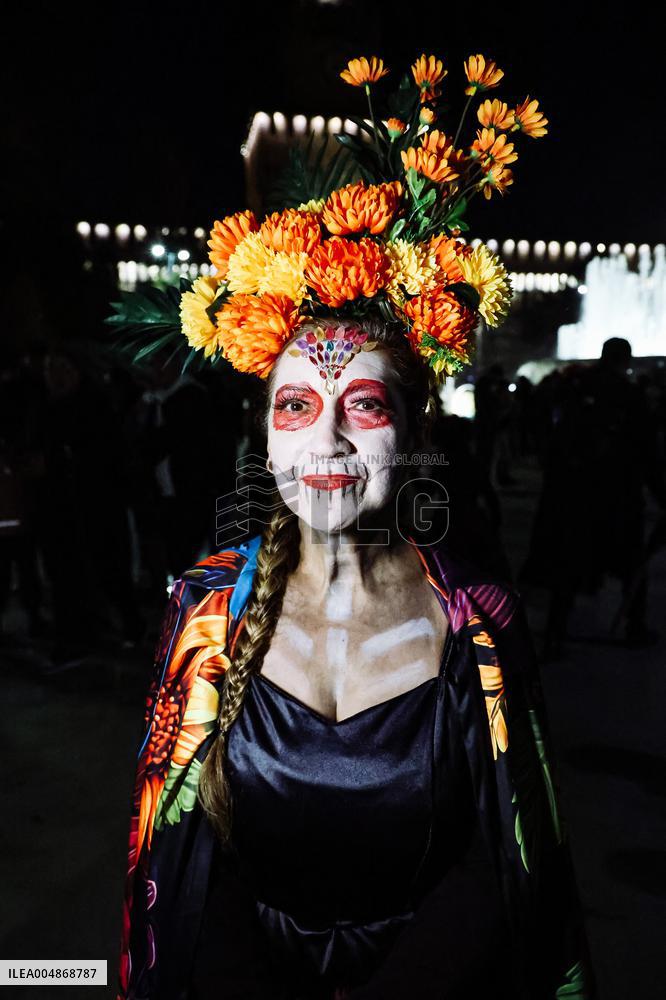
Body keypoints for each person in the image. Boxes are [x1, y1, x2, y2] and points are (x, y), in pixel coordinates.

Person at [116, 51, 592, 999]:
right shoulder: (206, 613)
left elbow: (509, 862)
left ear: (418, 429)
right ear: (263, 431)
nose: (325, 440)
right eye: (295, 406)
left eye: (363, 405)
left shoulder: (480, 626)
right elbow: (176, 866)